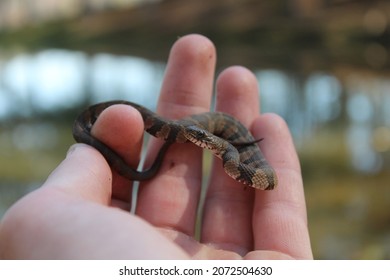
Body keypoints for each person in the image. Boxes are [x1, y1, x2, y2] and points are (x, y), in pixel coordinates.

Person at [0, 34, 312, 259]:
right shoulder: (224, 153)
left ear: (212, 145)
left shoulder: (233, 157)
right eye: (197, 136)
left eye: (200, 137)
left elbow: (270, 181)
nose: (195, 138)